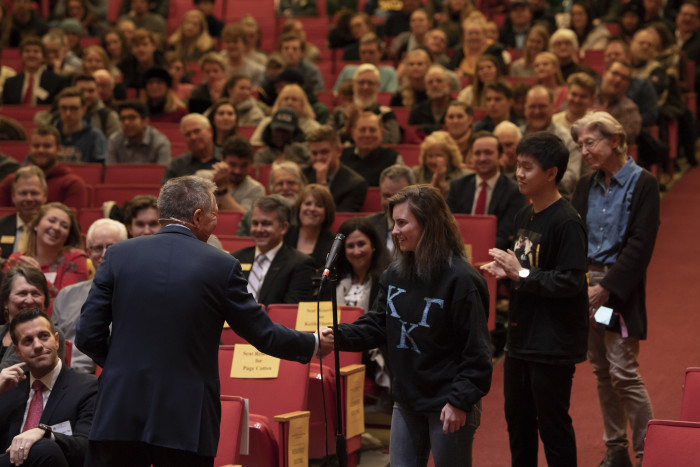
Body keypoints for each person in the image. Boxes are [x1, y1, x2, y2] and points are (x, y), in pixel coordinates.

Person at [76, 176, 333, 466]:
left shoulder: (118, 255)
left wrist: (121, 366)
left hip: (118, 411)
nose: (216, 223)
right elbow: (261, 333)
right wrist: (311, 342)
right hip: (184, 418)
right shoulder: (221, 265)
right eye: (214, 215)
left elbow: (87, 334)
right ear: (197, 216)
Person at [333, 184, 492, 467]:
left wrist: (459, 400)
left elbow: (477, 351)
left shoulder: (461, 280)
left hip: (448, 401)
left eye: (402, 222)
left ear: (429, 225)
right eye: (394, 222)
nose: (394, 231)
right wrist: (337, 336)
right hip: (406, 399)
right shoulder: (395, 272)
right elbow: (378, 324)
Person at [481, 132, 588, 467]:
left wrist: (521, 275)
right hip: (521, 339)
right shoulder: (524, 215)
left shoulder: (567, 222)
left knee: (553, 429)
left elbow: (571, 282)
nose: (519, 173)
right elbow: (525, 271)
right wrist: (507, 271)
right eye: (518, 165)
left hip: (553, 344)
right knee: (519, 426)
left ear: (551, 172)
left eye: (528, 167)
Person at [570, 111, 659, 467]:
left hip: (618, 289)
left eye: (590, 143)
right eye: (580, 145)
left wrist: (605, 287)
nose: (584, 151)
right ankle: (616, 448)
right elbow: (575, 236)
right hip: (585, 286)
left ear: (615, 141)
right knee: (602, 370)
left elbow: (640, 246)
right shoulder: (584, 185)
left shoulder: (644, 183)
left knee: (623, 371)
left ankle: (648, 450)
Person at [0, 308, 97, 467]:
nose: (37, 345)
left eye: (44, 336)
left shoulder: (86, 387)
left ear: (57, 340)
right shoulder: (9, 389)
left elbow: (89, 448)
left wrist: (45, 433)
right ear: (18, 352)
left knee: (45, 449)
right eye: (28, 341)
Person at [53, 219, 128, 374]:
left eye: (111, 247)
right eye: (97, 248)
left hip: (121, 379)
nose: (104, 254)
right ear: (88, 253)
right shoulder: (66, 296)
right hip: (70, 381)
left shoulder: (142, 294)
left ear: (127, 249)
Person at [447, 131, 525, 251]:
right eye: (477, 153)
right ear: (471, 156)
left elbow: (503, 236)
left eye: (488, 153)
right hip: (458, 253)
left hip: (494, 256)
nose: (482, 158)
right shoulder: (457, 186)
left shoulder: (514, 191)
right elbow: (448, 228)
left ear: (500, 156)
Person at [231, 194, 314, 306]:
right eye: (255, 223)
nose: (259, 230)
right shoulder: (235, 259)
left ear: (284, 227)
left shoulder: (299, 264)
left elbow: (289, 311)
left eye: (266, 224)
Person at [3, 202, 88, 301]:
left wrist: (38, 277)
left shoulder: (75, 259)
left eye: (64, 226)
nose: (56, 228)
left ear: (68, 235)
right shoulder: (17, 259)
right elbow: (6, 300)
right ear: (36, 225)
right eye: (52, 221)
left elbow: (69, 303)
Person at [0, 126, 88, 209]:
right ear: (29, 148)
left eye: (47, 146)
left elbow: (72, 222)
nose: (41, 150)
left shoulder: (72, 184)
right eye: (36, 146)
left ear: (59, 150)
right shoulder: (11, 181)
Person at [521, 85, 581, 198]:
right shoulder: (516, 135)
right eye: (532, 106)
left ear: (553, 107)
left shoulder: (567, 139)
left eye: (542, 106)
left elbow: (571, 179)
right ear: (525, 108)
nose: (537, 111)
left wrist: (536, 179)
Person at [0, 265, 65, 363]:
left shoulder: (49, 335)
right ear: (5, 302)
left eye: (36, 294)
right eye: (22, 293)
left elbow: (14, 373)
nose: (30, 300)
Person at [304, 125, 368, 212]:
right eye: (314, 153)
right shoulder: (303, 176)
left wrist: (321, 182)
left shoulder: (355, 184)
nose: (319, 158)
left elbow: (340, 218)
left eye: (324, 152)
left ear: (339, 151)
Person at [236, 161, 307, 236]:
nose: (285, 188)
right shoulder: (251, 216)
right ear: (271, 188)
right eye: (280, 184)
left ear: (301, 186)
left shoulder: (308, 215)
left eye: (291, 183)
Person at [335, 216, 389, 312]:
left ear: (373, 245)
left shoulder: (386, 280)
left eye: (361, 244)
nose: (357, 251)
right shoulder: (333, 279)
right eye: (350, 246)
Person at [340, 112, 403, 187]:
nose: (367, 135)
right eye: (362, 130)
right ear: (353, 133)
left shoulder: (393, 159)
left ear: (382, 133)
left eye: (372, 130)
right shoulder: (342, 157)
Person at [2, 36, 68, 105]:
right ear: (21, 56)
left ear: (43, 57)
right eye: (27, 51)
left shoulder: (56, 81)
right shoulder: (10, 83)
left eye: (36, 51)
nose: (31, 54)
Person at [283, 183, 335, 270]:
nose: (312, 209)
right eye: (308, 203)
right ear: (299, 208)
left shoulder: (333, 243)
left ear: (327, 212)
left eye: (319, 205)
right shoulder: (284, 234)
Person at [251, 84, 321, 146]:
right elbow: (255, 145)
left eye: (294, 99)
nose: (289, 102)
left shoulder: (313, 127)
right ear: (279, 103)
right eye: (286, 99)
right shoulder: (266, 122)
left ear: (303, 104)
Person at [367, 164, 415, 254]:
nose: (390, 203)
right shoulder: (368, 226)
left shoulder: (422, 228)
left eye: (398, 196)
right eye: (386, 196)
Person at [0, 167, 47, 260]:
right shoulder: (0, 226)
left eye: (34, 193)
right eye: (23, 193)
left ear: (45, 196)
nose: (28, 198)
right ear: (13, 196)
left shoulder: (53, 229)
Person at [107, 100, 172, 165]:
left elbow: (163, 173)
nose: (126, 123)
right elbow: (111, 172)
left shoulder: (160, 143)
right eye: (123, 118)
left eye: (132, 118)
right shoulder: (114, 140)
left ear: (145, 122)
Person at [53, 86, 107, 164]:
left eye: (73, 108)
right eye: (64, 108)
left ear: (83, 109)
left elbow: (98, 170)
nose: (68, 113)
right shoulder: (51, 135)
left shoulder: (95, 137)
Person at [211, 135, 265, 213]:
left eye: (244, 166)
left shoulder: (256, 189)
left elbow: (245, 220)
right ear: (222, 159)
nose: (237, 171)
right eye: (232, 164)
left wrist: (222, 189)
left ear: (251, 164)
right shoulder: (202, 178)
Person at [162, 114, 220, 184]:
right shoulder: (177, 165)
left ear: (210, 131)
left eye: (196, 131)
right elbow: (166, 193)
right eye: (187, 134)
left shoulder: (226, 159)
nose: (193, 137)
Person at [334, 33, 399, 93]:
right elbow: (336, 94)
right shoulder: (348, 71)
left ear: (380, 53)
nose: (367, 56)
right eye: (363, 52)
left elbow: (389, 97)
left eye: (371, 52)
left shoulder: (390, 73)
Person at [413, 131, 471, 197]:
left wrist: (443, 185)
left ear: (450, 157)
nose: (433, 160)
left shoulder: (466, 176)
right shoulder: (415, 174)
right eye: (430, 156)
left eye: (438, 155)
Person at [73, 74, 121, 138]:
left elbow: (114, 144)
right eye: (82, 91)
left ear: (97, 91)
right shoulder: (62, 114)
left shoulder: (108, 116)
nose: (86, 95)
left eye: (91, 91)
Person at [409, 65, 453, 135]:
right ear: (426, 87)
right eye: (430, 82)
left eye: (439, 81)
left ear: (449, 85)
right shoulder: (417, 111)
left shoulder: (459, 109)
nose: (434, 85)